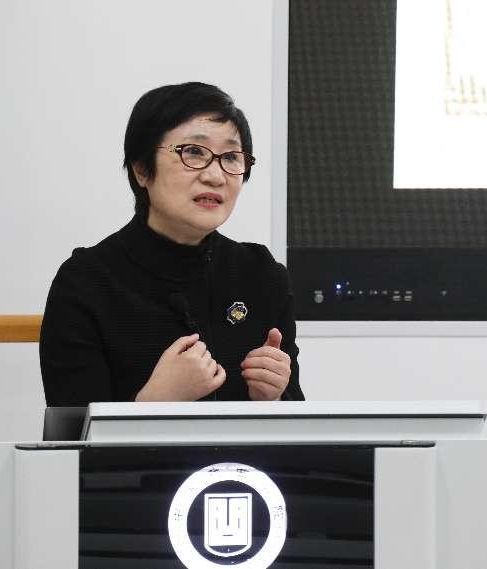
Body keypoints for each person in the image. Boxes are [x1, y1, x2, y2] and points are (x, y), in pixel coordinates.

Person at [40, 82, 305, 405]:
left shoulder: (262, 275)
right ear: (141, 169)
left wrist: (272, 400)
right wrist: (155, 402)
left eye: (231, 157)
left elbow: (298, 423)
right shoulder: (85, 283)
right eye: (193, 152)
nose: (215, 176)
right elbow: (73, 433)